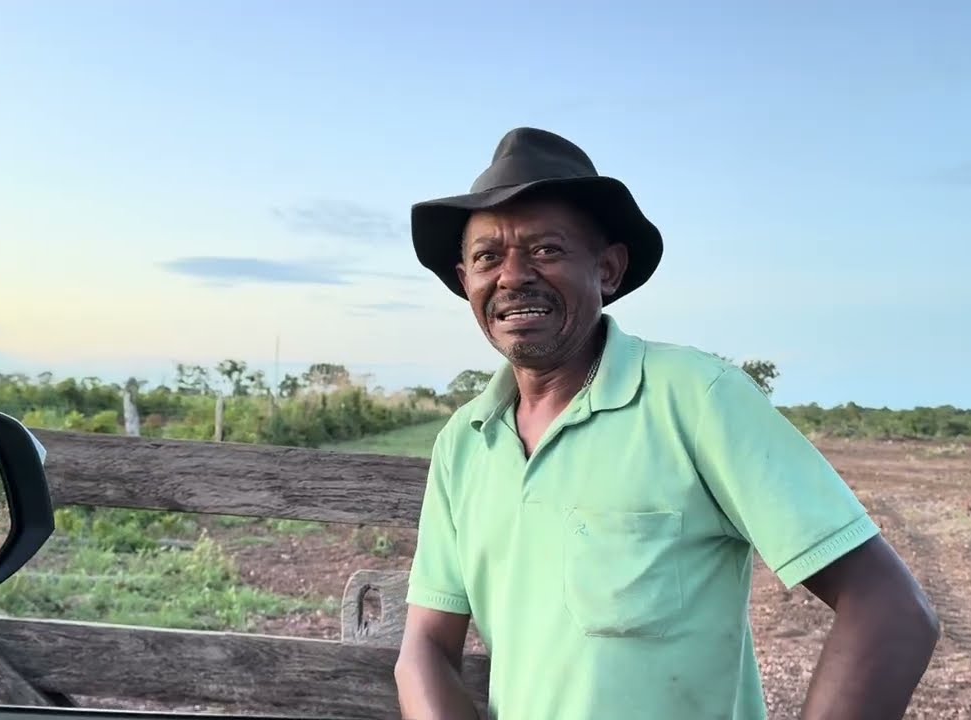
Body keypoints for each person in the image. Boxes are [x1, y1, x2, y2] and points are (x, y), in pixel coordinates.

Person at [393, 127, 941, 720]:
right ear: (465, 280)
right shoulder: (465, 442)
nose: (513, 275)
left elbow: (890, 608)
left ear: (607, 269)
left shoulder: (696, 398)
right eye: (487, 257)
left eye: (546, 250)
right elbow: (424, 646)